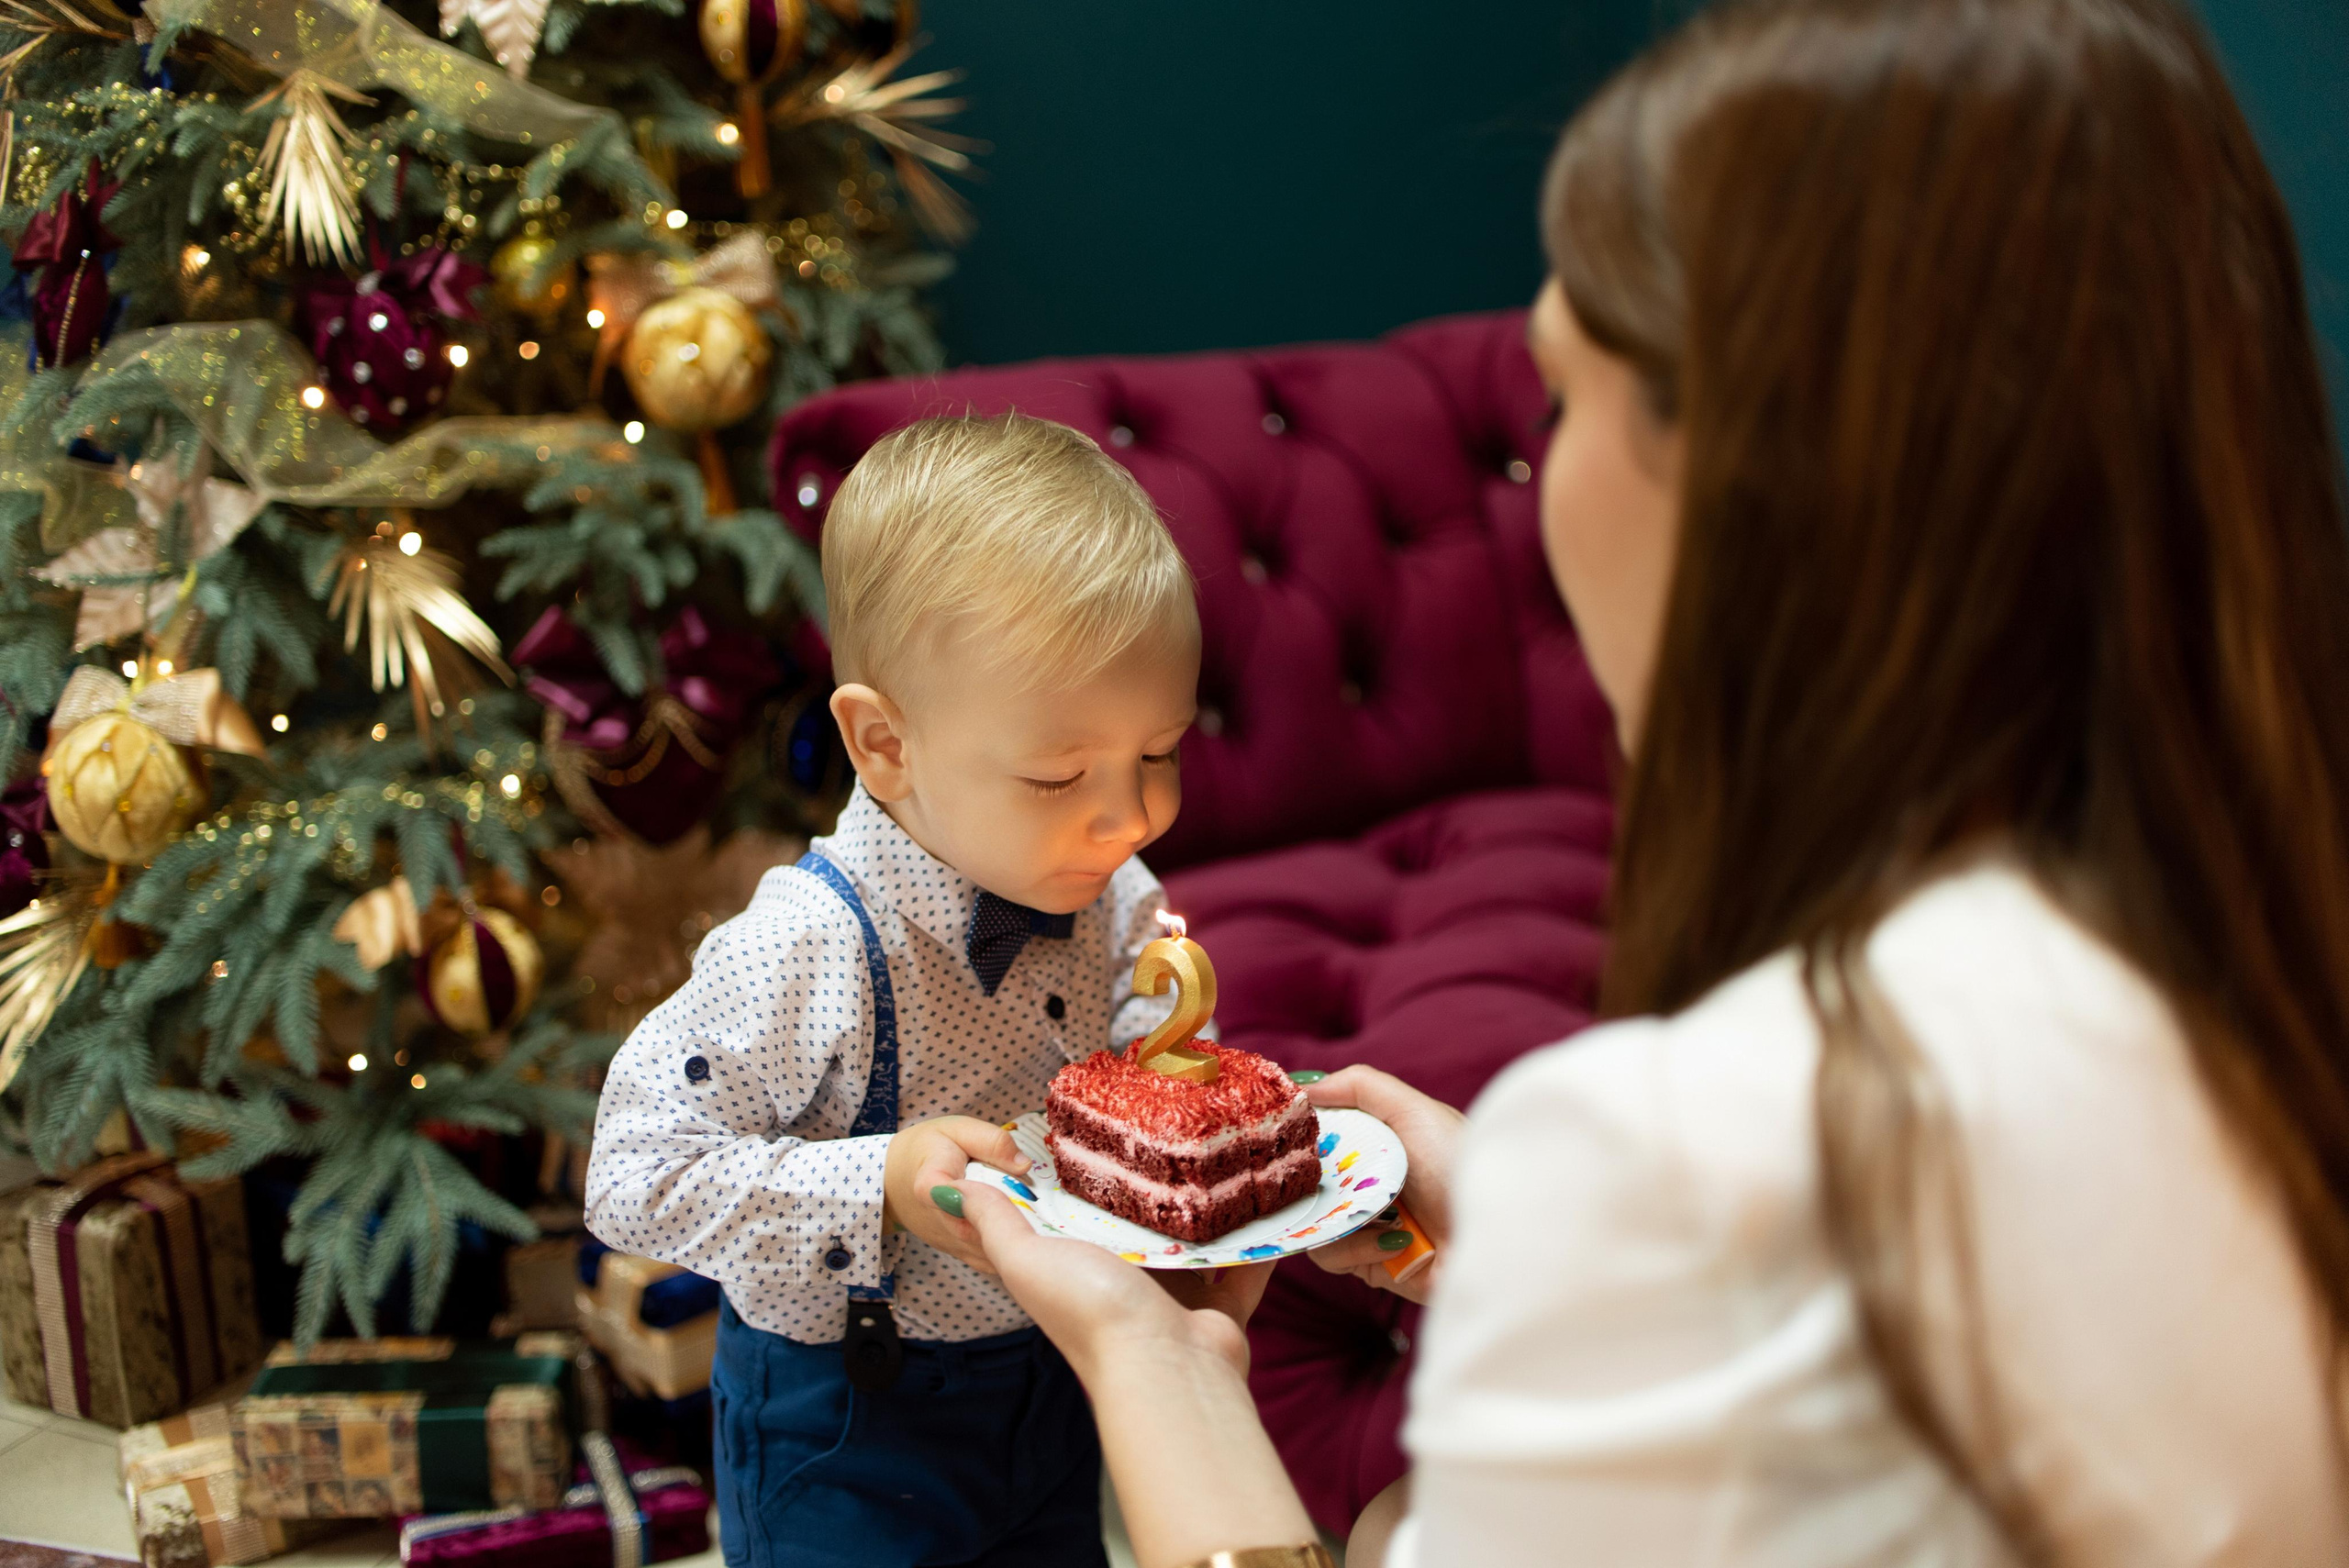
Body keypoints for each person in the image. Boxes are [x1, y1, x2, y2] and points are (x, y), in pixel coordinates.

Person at [952, 0, 2349, 1563]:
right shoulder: (2265, 988)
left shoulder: (1692, 1158)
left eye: (1564, 399)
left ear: (1751, 475)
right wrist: (1540, 1244)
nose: (1544, 483)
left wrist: (1160, 1362)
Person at [584, 412, 1203, 1568]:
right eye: (1059, 773)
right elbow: (630, 1173)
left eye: (1158, 752)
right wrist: (880, 1178)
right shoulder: (807, 946)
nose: (1127, 816)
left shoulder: (1110, 885)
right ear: (885, 746)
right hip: (848, 1423)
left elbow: (1138, 1032)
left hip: (1048, 1381)